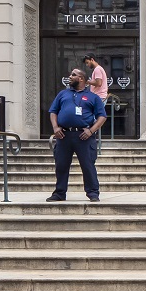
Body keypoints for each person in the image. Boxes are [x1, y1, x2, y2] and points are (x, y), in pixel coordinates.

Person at [46, 67, 107, 202]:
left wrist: (91, 130)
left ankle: (92, 193)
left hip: (83, 136)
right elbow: (53, 111)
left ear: (81, 79)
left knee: (88, 165)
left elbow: (102, 116)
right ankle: (59, 193)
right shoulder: (63, 94)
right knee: (61, 165)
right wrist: (55, 127)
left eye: (73, 75)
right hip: (64, 135)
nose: (70, 76)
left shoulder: (93, 97)